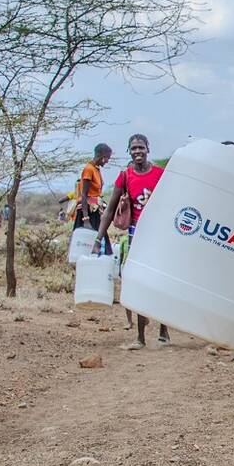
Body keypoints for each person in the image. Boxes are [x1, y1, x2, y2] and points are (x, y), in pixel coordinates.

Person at [97, 133, 168, 349]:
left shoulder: (160, 174)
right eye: (133, 148)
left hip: (158, 234)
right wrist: (98, 238)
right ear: (129, 151)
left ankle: (164, 332)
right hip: (136, 233)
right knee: (137, 280)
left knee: (161, 282)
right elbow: (109, 209)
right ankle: (140, 338)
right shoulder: (125, 176)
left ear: (148, 149)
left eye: (141, 147)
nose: (137, 151)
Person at [75, 144, 111, 231]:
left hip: (95, 210)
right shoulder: (89, 169)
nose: (107, 161)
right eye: (107, 158)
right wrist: (86, 219)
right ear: (100, 155)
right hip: (88, 211)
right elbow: (84, 195)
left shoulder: (96, 169)